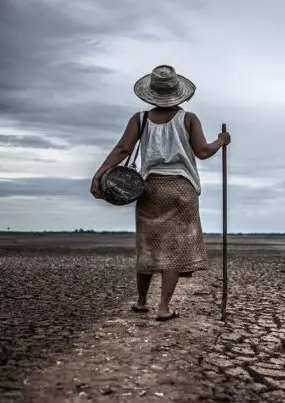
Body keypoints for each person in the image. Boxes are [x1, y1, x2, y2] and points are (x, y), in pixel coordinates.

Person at [90, 65, 230, 321]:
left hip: (150, 189)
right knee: (174, 252)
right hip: (182, 189)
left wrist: (100, 174)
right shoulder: (188, 118)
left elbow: (123, 149)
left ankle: (142, 302)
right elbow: (202, 151)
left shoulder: (140, 119)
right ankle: (164, 308)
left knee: (148, 246)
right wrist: (221, 142)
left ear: (151, 93)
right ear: (178, 93)